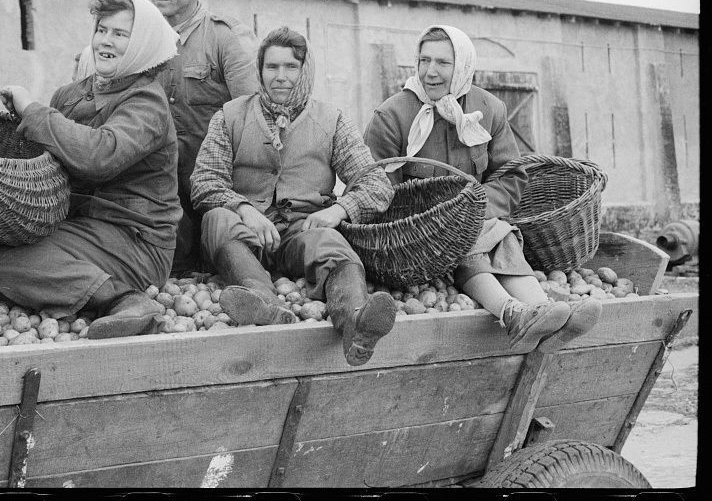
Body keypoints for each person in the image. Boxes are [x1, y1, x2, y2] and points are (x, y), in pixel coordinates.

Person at [363, 24, 601, 353]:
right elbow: (376, 188)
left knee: (500, 233)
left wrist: (476, 211)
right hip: (416, 236)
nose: (430, 72)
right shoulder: (393, 115)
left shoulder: (488, 109)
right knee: (471, 237)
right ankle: (513, 311)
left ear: (463, 65)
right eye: (424, 60)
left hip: (477, 219)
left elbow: (510, 175)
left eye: (443, 63)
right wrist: (446, 221)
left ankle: (543, 312)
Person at [0, 0, 181, 340]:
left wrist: (34, 112)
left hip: (136, 238)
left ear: (142, 43)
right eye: (102, 30)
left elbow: (100, 155)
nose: (105, 41)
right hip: (81, 228)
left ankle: (125, 301)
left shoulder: (147, 101)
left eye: (120, 34)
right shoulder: (71, 95)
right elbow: (48, 155)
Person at [190, 27, 397, 366]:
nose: (280, 77)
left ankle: (356, 322)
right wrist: (243, 208)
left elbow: (376, 184)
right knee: (217, 219)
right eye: (272, 67)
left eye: (291, 67)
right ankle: (263, 302)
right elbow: (204, 181)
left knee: (330, 242)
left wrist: (341, 209)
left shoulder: (331, 121)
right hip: (246, 234)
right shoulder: (230, 116)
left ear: (305, 71)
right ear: (260, 70)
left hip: (302, 230)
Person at [140, 0, 259, 275]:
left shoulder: (226, 38)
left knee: (224, 266)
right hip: (162, 195)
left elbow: (253, 117)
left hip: (217, 192)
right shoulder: (144, 41)